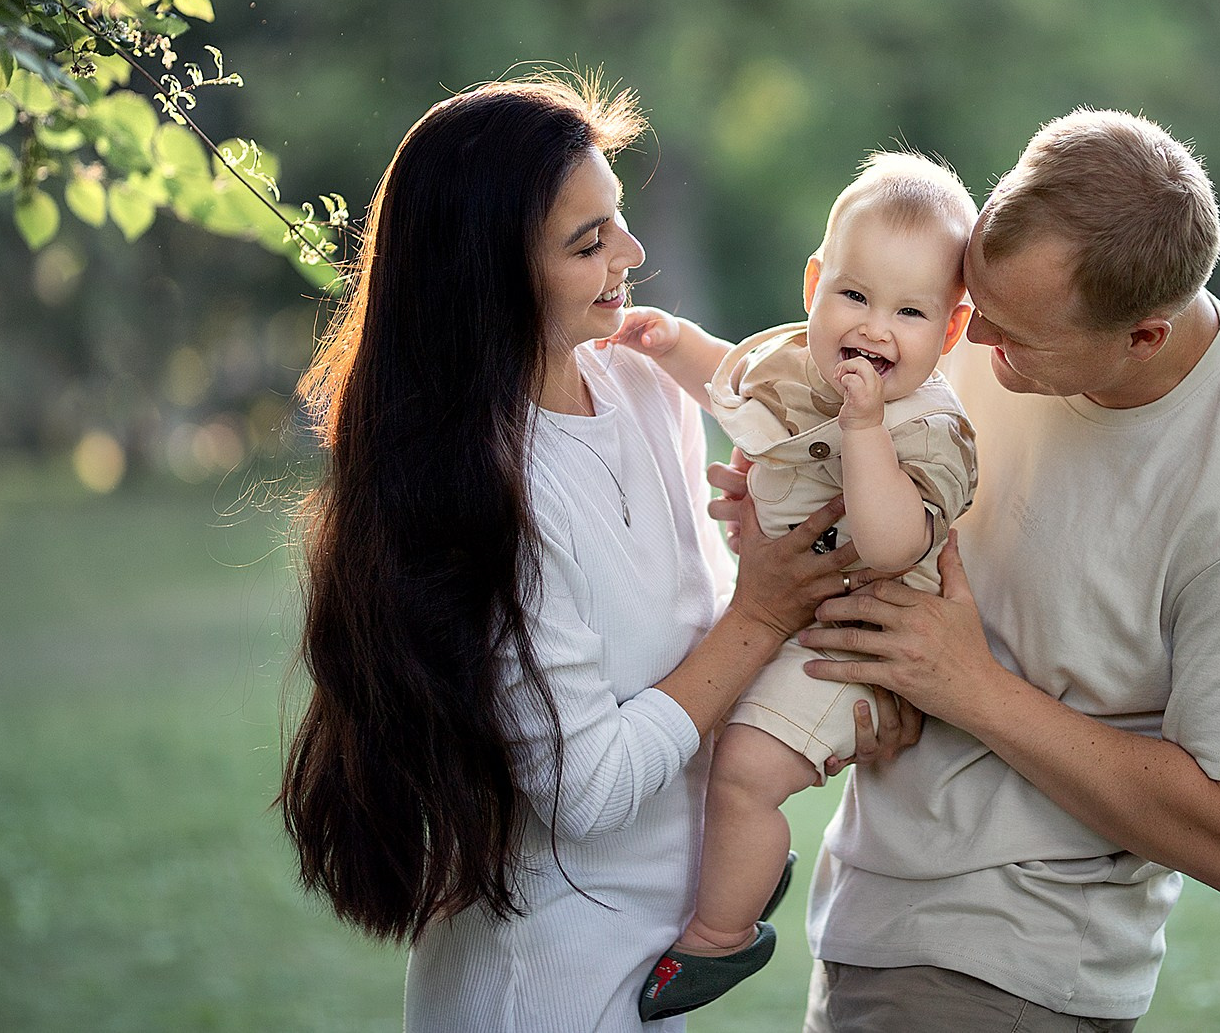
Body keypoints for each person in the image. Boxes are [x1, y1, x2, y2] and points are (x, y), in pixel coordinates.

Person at [276, 77, 889, 1032]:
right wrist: (761, 613)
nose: (630, 255)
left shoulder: (642, 382)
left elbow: (684, 648)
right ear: (490, 275)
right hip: (546, 985)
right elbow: (586, 788)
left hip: (653, 962)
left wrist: (776, 601)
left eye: (620, 219)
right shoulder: (484, 488)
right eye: (587, 242)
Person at [743, 109, 1220, 1031]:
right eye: (971, 301)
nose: (970, 336)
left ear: (1143, 337)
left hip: (1011, 970)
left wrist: (968, 686)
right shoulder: (990, 323)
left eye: (1011, 332)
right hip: (867, 916)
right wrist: (787, 508)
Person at [606, 153, 979, 1020]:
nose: (875, 329)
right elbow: (731, 386)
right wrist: (674, 344)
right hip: (789, 618)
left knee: (744, 770)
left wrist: (864, 430)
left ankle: (722, 934)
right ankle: (746, 865)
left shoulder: (929, 429)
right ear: (815, 286)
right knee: (707, 741)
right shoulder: (791, 365)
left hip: (857, 644)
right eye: (854, 296)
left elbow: (890, 543)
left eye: (910, 311)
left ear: (952, 329)